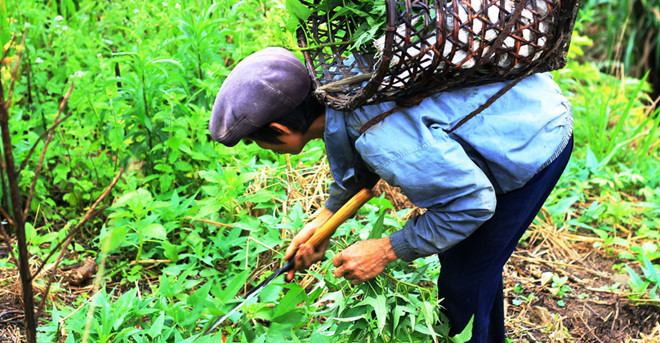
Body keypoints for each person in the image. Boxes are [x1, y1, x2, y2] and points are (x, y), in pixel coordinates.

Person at [209, 46, 573, 343]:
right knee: (472, 266)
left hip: (530, 134)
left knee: (462, 279)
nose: (263, 149)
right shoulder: (340, 83)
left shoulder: (385, 141)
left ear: (278, 128)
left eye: (257, 140)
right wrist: (325, 221)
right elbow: (349, 143)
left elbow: (471, 204)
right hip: (510, 105)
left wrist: (386, 250)